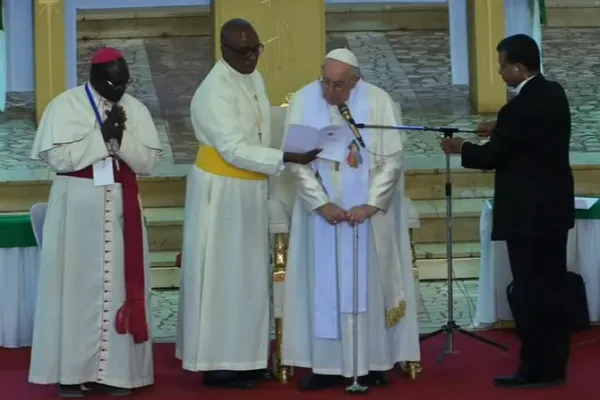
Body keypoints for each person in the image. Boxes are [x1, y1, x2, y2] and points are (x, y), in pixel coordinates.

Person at [175, 19, 321, 389]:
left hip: (250, 189)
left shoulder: (252, 77)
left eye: (255, 50)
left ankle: (248, 359)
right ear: (223, 50)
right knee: (223, 279)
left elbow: (260, 131)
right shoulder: (214, 91)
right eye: (242, 51)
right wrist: (286, 157)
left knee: (251, 279)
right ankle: (218, 364)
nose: (250, 58)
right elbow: (232, 149)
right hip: (221, 192)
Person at [281, 48, 421, 391]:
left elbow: (392, 159)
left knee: (367, 286)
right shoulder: (304, 100)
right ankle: (326, 367)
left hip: (367, 217)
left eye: (338, 85)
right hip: (322, 216)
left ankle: (372, 363)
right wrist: (321, 203)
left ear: (356, 81)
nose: (329, 91)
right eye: (325, 82)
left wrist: (371, 204)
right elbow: (296, 162)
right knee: (324, 287)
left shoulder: (378, 100)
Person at [441, 34, 573, 388]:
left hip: (526, 216)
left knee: (530, 293)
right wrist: (499, 127)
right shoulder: (553, 93)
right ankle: (555, 364)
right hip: (553, 210)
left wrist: (461, 147)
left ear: (519, 67)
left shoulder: (517, 109)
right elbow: (528, 133)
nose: (500, 72)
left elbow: (491, 156)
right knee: (552, 288)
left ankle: (534, 368)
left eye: (503, 65)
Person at [29, 47, 162, 398]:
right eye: (113, 84)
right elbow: (56, 157)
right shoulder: (65, 105)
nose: (119, 90)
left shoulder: (136, 109)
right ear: (94, 77)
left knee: (119, 286)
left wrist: (120, 139)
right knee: (73, 289)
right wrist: (100, 137)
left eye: (124, 83)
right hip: (76, 211)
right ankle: (71, 373)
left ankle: (117, 374)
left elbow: (149, 164)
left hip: (121, 208)